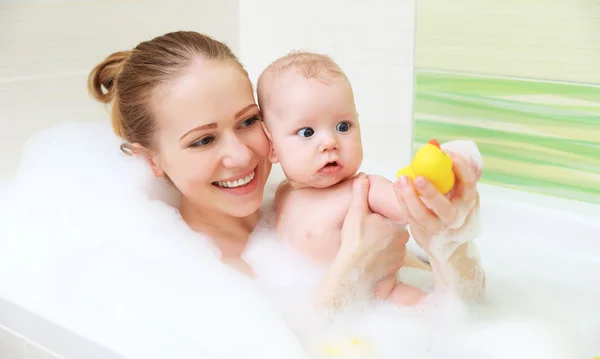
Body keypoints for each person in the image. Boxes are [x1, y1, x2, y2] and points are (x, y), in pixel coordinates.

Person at [87, 31, 484, 311]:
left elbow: (464, 307)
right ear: (150, 159)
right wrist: (349, 269)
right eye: (203, 140)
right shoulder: (184, 272)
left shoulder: (299, 196)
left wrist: (447, 236)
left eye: (247, 122)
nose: (242, 156)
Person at [255, 51, 483, 306]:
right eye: (307, 132)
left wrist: (438, 184)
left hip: (383, 296)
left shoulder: (364, 189)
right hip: (327, 302)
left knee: (435, 311)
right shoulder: (281, 193)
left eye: (343, 126)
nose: (330, 142)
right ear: (272, 146)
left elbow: (412, 205)